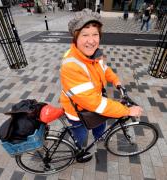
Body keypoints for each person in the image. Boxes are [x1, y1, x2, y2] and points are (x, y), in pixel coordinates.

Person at [60, 9, 143, 152]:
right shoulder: (71, 66)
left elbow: (104, 69)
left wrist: (116, 82)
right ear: (75, 38)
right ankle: (77, 150)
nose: (91, 40)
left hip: (94, 104)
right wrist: (126, 111)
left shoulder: (94, 54)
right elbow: (95, 103)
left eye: (95, 34)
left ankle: (99, 136)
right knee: (81, 135)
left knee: (100, 124)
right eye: (85, 35)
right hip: (78, 112)